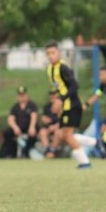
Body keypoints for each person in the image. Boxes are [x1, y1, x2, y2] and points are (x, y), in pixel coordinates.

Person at [45, 40, 91, 169]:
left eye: (53, 52)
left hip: (72, 105)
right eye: (48, 53)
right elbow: (56, 88)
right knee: (63, 134)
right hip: (64, 106)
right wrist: (55, 102)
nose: (50, 55)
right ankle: (93, 143)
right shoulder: (50, 69)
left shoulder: (62, 67)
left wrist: (61, 99)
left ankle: (85, 162)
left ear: (58, 52)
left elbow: (75, 85)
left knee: (67, 135)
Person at [0, 86, 39, 159]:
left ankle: (26, 152)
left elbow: (34, 116)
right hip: (19, 128)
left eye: (23, 95)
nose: (22, 97)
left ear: (27, 95)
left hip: (29, 127)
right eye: (20, 96)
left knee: (33, 134)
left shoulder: (32, 105)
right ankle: (9, 152)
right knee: (7, 133)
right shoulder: (15, 107)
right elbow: (11, 119)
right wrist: (15, 127)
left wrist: (32, 127)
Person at [39, 88, 61, 158]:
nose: (52, 96)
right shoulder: (47, 106)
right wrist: (44, 120)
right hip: (49, 127)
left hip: (60, 128)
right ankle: (47, 150)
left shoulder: (63, 106)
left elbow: (64, 121)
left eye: (54, 94)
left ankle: (52, 151)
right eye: (51, 94)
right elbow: (45, 118)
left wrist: (55, 126)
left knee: (58, 132)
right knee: (42, 132)